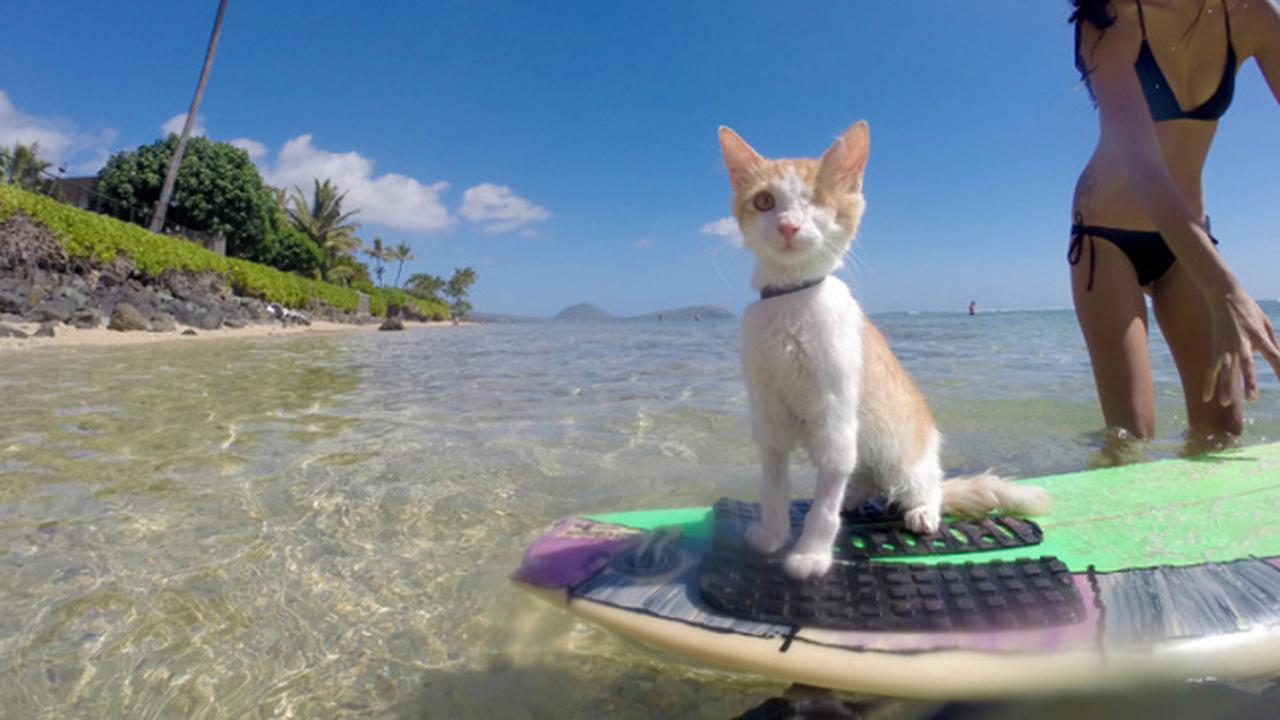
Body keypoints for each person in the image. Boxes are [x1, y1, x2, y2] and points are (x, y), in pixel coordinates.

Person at [1068, 0, 1280, 440]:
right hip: (1106, 238)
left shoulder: (1253, 15)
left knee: (1222, 431)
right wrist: (1225, 286)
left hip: (1188, 240)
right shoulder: (1109, 18)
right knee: (1129, 435)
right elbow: (1144, 168)